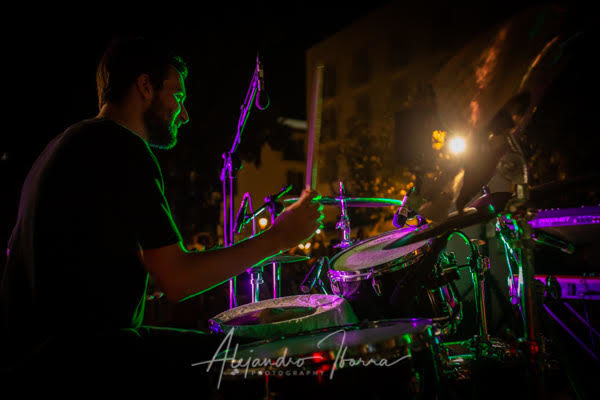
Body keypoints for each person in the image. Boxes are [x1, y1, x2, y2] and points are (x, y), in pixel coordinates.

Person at [0, 37, 323, 380]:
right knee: (252, 358)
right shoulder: (123, 148)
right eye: (178, 96)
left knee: (219, 347)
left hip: (38, 352)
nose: (184, 114)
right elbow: (177, 279)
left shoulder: (62, 147)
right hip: (88, 356)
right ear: (145, 86)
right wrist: (280, 236)